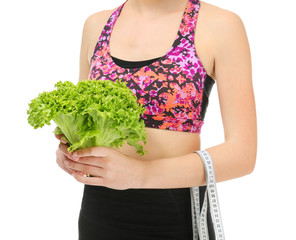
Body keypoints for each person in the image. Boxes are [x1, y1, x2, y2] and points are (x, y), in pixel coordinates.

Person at [55, 0, 257, 239]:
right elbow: (84, 120)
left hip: (175, 221)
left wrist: (140, 174)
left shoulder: (220, 25)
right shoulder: (96, 25)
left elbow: (242, 154)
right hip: (98, 217)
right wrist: (72, 153)